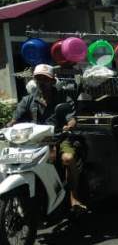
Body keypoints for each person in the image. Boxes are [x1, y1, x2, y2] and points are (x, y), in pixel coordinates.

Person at [7, 64, 86, 213]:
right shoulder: (28, 100)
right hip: (35, 141)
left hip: (59, 137)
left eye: (45, 79)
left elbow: (71, 118)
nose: (42, 82)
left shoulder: (63, 98)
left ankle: (74, 197)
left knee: (68, 158)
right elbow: (15, 120)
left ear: (52, 80)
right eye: (38, 79)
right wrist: (8, 126)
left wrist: (69, 125)